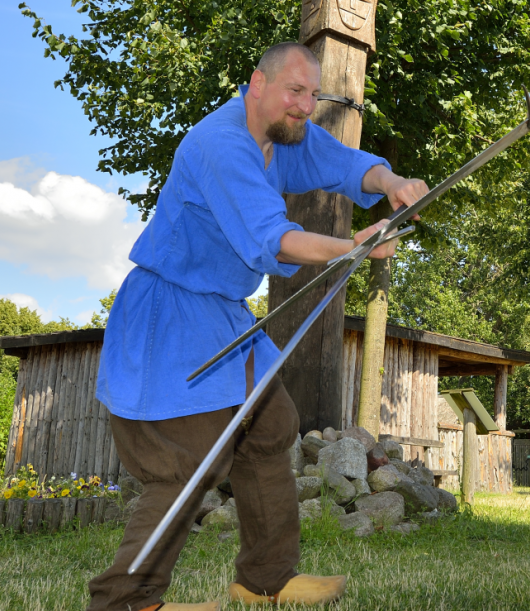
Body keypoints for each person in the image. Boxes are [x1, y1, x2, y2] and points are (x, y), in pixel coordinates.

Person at [88, 41, 428, 611]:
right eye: (295, 91)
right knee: (184, 460)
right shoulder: (222, 145)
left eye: (312, 95)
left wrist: (389, 182)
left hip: (222, 313)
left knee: (270, 428)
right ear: (257, 83)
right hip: (169, 312)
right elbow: (275, 238)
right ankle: (124, 600)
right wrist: (351, 246)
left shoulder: (282, 135)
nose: (305, 105)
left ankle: (265, 581)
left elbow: (343, 164)